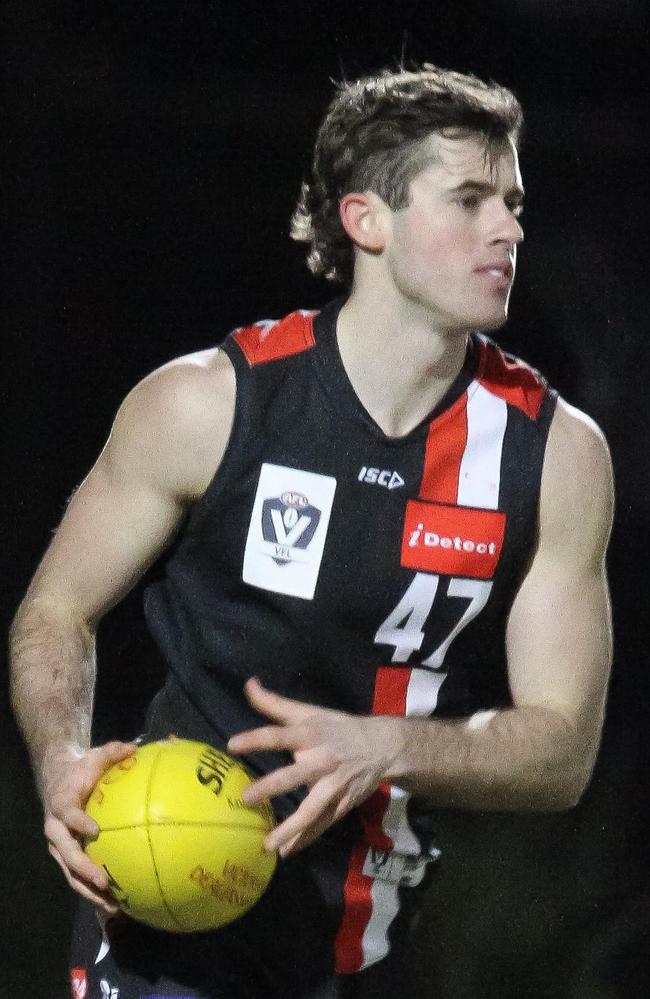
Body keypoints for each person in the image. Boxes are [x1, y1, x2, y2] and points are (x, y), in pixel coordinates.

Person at [9, 63, 613, 999]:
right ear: (366, 221)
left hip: (365, 934)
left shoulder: (555, 454)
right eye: (470, 199)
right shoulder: (208, 405)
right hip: (166, 912)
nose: (510, 229)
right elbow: (54, 610)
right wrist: (59, 763)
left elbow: (563, 747)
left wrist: (392, 745)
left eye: (513, 201)